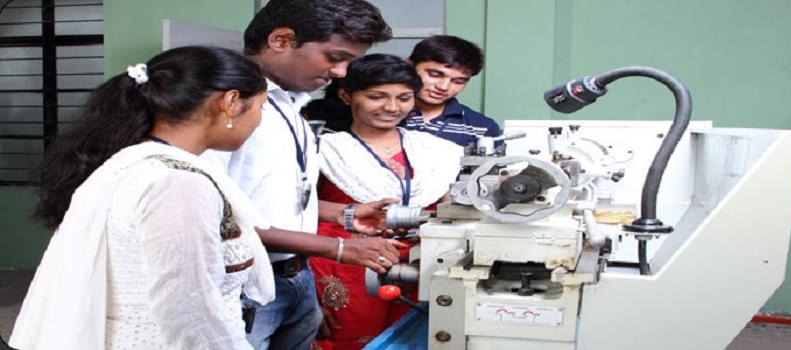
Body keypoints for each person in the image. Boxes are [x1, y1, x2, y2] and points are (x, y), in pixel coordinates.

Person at [9, 46, 401, 350]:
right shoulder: (178, 184)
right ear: (230, 103)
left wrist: (346, 220)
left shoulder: (143, 161)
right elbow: (189, 313)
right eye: (261, 108)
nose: (260, 120)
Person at [202, 1, 396, 349]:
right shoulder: (228, 107)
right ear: (281, 40)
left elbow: (266, 196)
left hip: (296, 277)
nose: (340, 72)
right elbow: (216, 217)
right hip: (247, 283)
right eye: (334, 57)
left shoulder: (289, 104)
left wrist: (344, 213)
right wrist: (337, 247)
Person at [308, 54, 463, 350]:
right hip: (343, 269)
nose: (392, 107)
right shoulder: (323, 151)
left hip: (421, 267)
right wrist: (307, 298)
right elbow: (297, 213)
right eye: (376, 97)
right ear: (346, 96)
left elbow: (449, 213)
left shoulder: (438, 152)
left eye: (404, 98)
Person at [401, 35, 503, 147]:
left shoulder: (483, 127)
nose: (443, 87)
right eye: (435, 75)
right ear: (410, 66)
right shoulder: (385, 114)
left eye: (458, 81)